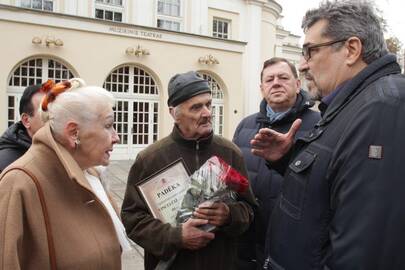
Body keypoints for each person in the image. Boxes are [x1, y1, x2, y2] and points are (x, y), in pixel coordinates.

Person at [251, 1, 405, 269]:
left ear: (351, 49)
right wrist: (287, 159)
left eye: (310, 51)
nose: (302, 65)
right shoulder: (353, 104)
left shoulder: (383, 109)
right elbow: (334, 183)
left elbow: (365, 250)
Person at [121, 71, 256, 270]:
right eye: (196, 107)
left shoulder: (230, 152)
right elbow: (132, 219)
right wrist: (176, 236)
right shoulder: (150, 159)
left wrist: (229, 215)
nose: (207, 113)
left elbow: (250, 209)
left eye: (208, 104)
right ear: (174, 113)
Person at [0, 78, 130, 269]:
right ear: (73, 133)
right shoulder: (19, 182)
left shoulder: (91, 173)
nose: (116, 137)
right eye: (108, 125)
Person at [233, 57, 320, 269]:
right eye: (269, 79)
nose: (276, 83)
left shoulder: (320, 124)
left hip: (293, 249)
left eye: (283, 77)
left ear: (298, 84)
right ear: (262, 88)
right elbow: (234, 182)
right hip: (249, 247)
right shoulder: (245, 125)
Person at [0, 84, 45, 173]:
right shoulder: (4, 165)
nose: (53, 117)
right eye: (45, 111)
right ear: (26, 120)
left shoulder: (62, 154)